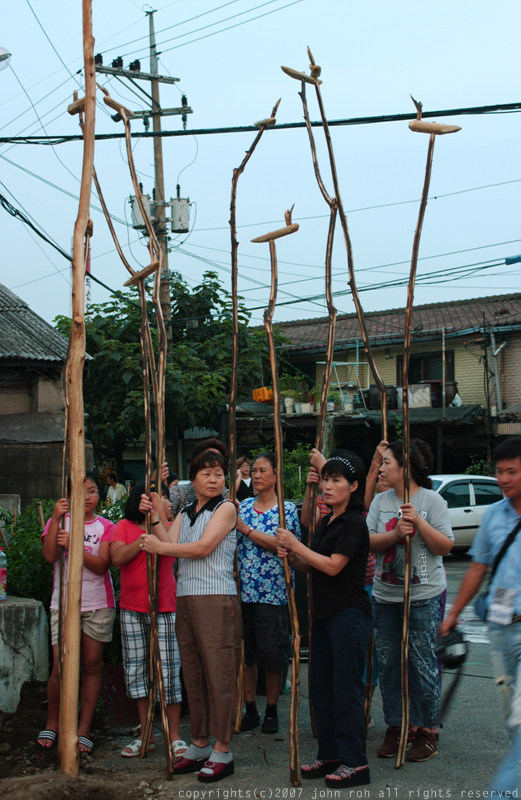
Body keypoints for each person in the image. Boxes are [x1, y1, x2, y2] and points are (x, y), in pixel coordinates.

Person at [141, 449, 241, 783]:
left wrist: (160, 547)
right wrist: (156, 513)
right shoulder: (187, 511)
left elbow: (201, 549)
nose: (214, 480)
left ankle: (223, 748)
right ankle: (199, 742)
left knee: (219, 671)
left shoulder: (227, 509)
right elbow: (170, 539)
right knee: (194, 673)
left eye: (218, 473)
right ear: (193, 479)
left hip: (216, 598)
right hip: (187, 597)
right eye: (206, 474)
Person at [276, 450, 372, 788]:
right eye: (326, 479)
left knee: (346, 690)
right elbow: (311, 565)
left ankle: (355, 763)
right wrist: (291, 555)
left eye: (336, 480)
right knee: (322, 689)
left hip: (349, 615)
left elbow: (333, 565)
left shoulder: (355, 522)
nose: (327, 486)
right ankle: (330, 754)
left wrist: (297, 546)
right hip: (325, 615)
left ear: (354, 486)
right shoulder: (327, 520)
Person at [440, 437, 521, 795]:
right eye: (500, 471)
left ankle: (503, 791)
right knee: (513, 721)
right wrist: (453, 615)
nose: (503, 479)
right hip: (501, 630)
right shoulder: (495, 515)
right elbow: (477, 567)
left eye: (512, 471)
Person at [366, 439, 453, 762]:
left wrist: (418, 522)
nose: (383, 467)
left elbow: (444, 546)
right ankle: (397, 725)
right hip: (385, 596)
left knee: (422, 665)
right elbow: (367, 542)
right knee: (389, 665)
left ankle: (428, 729)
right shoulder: (380, 502)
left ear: (406, 468)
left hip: (424, 596)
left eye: (388, 462)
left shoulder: (432, 501)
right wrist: (393, 535)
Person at [36, 473, 115, 754]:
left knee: (92, 665)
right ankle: (53, 723)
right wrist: (56, 519)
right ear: (68, 497)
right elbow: (49, 557)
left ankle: (84, 730)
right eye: (82, 492)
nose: (88, 496)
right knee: (60, 666)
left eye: (93, 491)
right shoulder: (60, 523)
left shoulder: (106, 526)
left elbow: (102, 565)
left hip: (97, 604)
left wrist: (74, 546)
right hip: (64, 603)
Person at [110, 484, 185, 760]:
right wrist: (142, 540)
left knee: (168, 670)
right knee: (137, 671)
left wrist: (155, 522)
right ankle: (145, 734)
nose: (159, 500)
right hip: (132, 608)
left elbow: (171, 549)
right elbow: (116, 558)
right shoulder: (123, 526)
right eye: (152, 496)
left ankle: (174, 736)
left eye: (162, 496)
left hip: (165, 606)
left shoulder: (167, 523)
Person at [236, 453, 301, 734]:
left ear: (276, 476)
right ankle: (250, 707)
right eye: (255, 472)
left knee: (272, 655)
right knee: (245, 654)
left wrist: (248, 531)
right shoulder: (243, 506)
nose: (258, 476)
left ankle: (272, 709)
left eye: (263, 471)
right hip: (243, 592)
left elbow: (283, 546)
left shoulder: (286, 510)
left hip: (272, 593)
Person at [169, 438, 229, 515]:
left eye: (218, 474)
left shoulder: (229, 498)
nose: (212, 480)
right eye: (207, 474)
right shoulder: (178, 493)